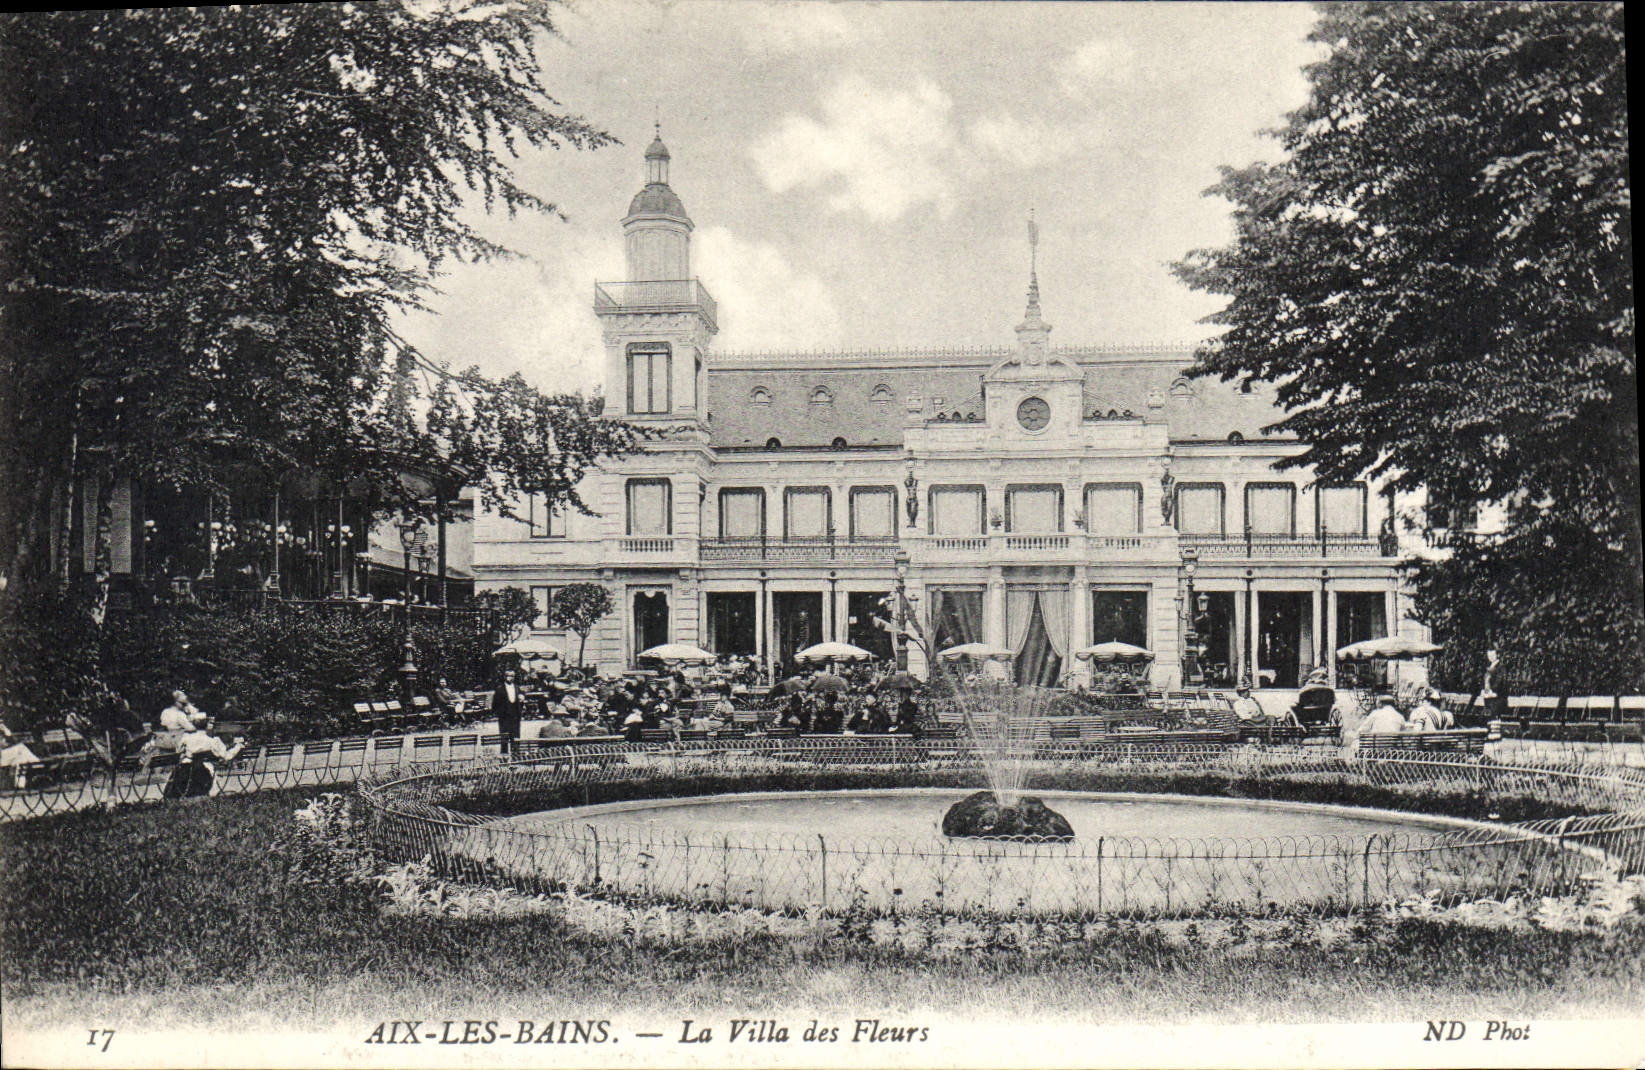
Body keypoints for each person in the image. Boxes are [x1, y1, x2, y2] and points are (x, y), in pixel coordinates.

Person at [162, 729, 245, 798]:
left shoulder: (185, 738)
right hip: (204, 770)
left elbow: (178, 753)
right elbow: (227, 756)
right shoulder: (212, 740)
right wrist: (238, 747)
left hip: (186, 768)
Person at [492, 669, 523, 757]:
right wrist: (500, 713)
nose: (511, 678)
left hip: (515, 715)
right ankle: (504, 755)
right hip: (504, 717)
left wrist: (522, 697)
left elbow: (521, 696)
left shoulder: (517, 687)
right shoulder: (499, 689)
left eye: (512, 676)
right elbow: (494, 704)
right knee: (504, 736)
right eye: (509, 676)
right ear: (505, 677)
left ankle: (516, 755)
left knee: (516, 735)